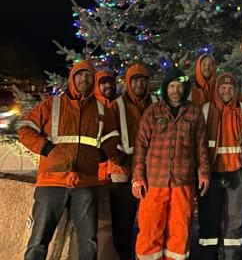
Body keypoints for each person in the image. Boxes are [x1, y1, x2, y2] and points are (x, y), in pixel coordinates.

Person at [17, 60, 122, 260]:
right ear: (73, 78)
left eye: (89, 76)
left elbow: (113, 137)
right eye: (80, 75)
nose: (85, 79)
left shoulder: (101, 110)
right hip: (51, 182)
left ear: (93, 80)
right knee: (38, 241)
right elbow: (25, 129)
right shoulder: (52, 104)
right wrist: (46, 148)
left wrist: (99, 156)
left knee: (89, 241)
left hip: (86, 183)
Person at [132, 66, 210, 260]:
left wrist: (204, 172)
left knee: (180, 230)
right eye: (172, 86)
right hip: (154, 182)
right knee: (150, 229)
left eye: (179, 86)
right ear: (166, 88)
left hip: (183, 182)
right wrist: (137, 177)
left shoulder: (194, 113)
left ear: (185, 88)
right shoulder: (152, 112)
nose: (176, 91)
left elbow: (201, 147)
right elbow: (141, 147)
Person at [198, 72, 242, 260]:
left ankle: (232, 255)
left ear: (235, 91)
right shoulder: (206, 111)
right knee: (209, 218)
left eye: (230, 88)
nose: (226, 91)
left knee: (235, 219)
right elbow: (197, 142)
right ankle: (208, 254)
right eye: (223, 88)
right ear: (217, 90)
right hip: (212, 173)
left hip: (238, 173)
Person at [108, 63, 157, 260]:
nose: (139, 84)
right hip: (122, 173)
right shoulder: (116, 106)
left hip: (150, 173)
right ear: (129, 83)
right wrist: (120, 159)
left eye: (143, 80)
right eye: (135, 80)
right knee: (122, 225)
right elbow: (107, 138)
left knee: (150, 223)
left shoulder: (156, 103)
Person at [93, 70, 118, 184]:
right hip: (95, 170)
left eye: (111, 82)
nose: (109, 85)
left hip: (118, 169)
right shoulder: (90, 107)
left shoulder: (121, 106)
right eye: (103, 83)